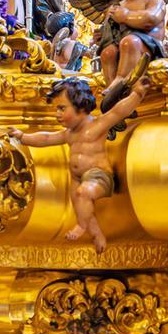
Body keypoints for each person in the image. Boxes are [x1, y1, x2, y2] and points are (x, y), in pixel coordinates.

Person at [15, 74, 148, 251]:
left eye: (62, 108)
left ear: (80, 106)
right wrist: (23, 137)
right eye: (56, 109)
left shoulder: (97, 126)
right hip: (77, 177)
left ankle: (82, 227)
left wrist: (138, 93)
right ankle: (96, 235)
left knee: (83, 194)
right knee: (82, 208)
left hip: (99, 176)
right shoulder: (69, 133)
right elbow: (46, 138)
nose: (57, 114)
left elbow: (119, 111)